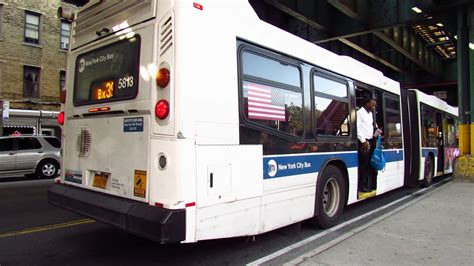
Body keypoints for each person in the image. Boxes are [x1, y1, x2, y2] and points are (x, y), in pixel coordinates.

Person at [357, 97, 379, 192]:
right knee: (364, 164)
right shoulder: (360, 113)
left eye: (375, 105)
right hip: (363, 142)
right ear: (367, 104)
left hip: (371, 140)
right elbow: (356, 128)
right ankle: (362, 186)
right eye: (372, 105)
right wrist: (363, 141)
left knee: (370, 163)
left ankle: (370, 184)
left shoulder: (370, 114)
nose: (374, 107)